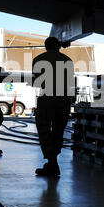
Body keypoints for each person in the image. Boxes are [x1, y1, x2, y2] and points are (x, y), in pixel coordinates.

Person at [32, 37, 74, 176]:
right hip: (64, 99)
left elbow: (36, 82)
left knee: (44, 128)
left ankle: (52, 162)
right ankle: (52, 163)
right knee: (58, 130)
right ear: (58, 46)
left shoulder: (38, 59)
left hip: (47, 98)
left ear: (45, 46)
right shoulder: (68, 60)